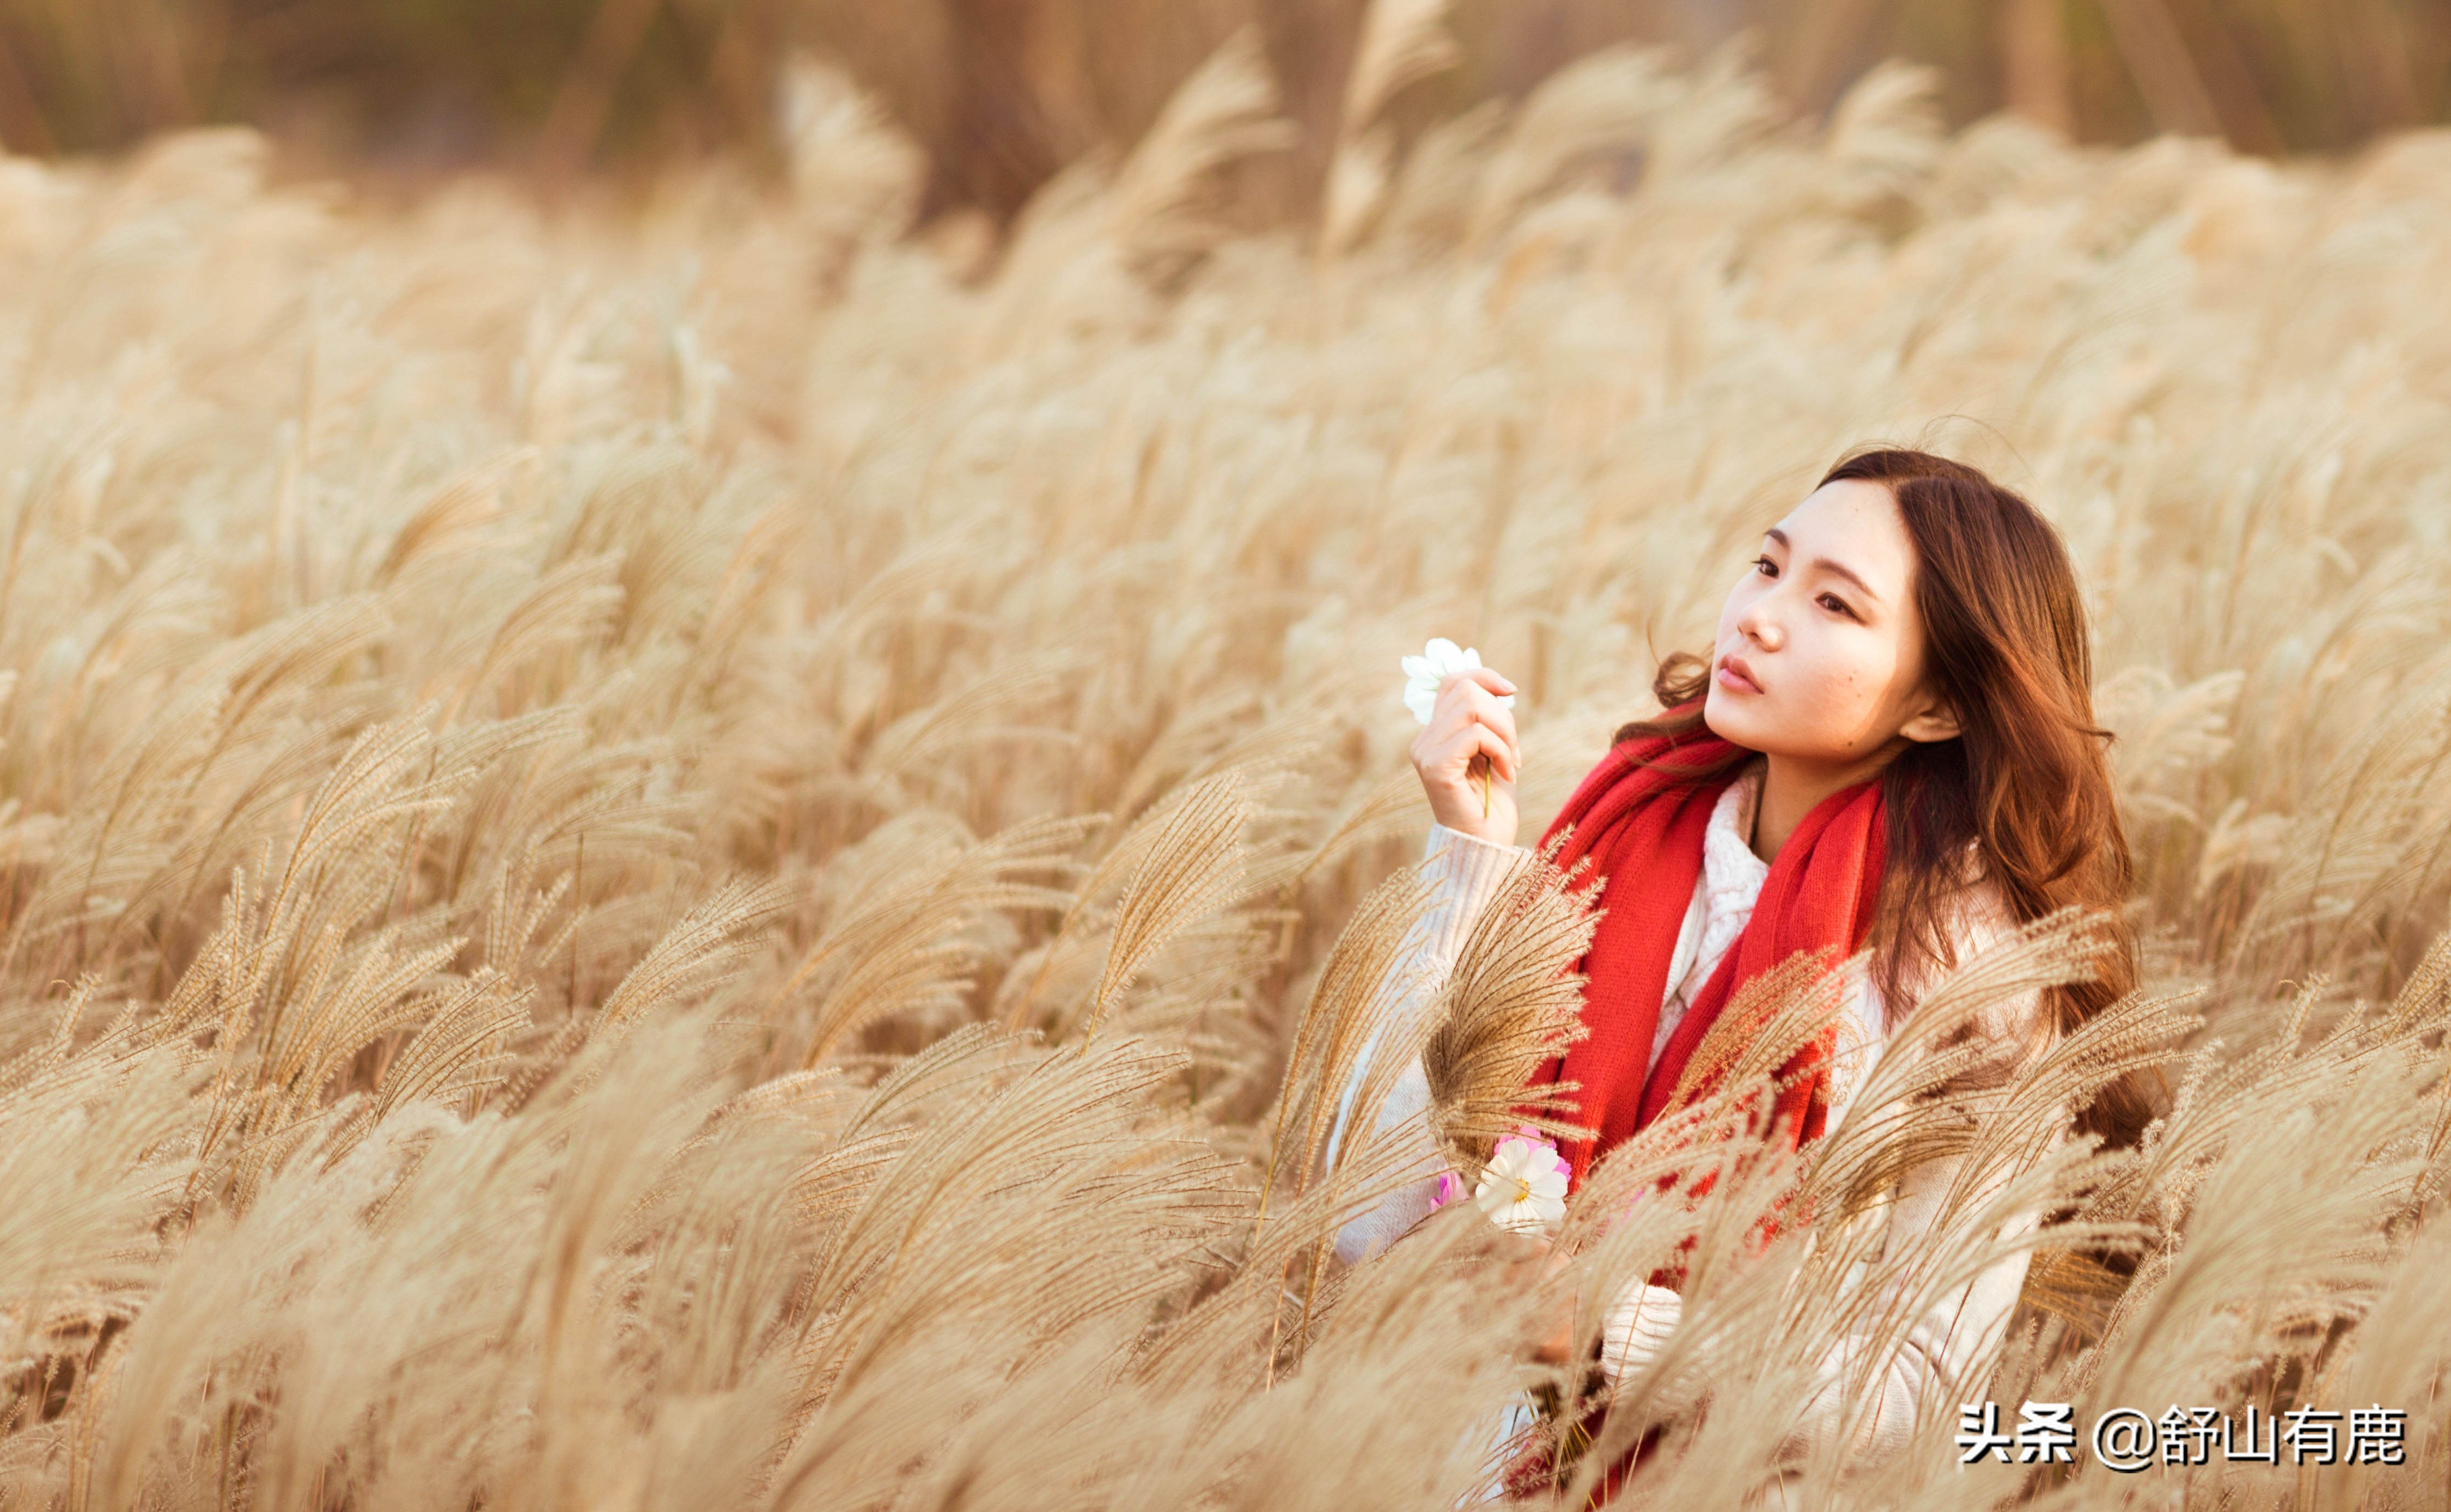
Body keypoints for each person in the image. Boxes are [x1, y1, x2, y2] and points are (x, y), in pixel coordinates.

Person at [1326, 447, 2156, 1491]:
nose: (1759, 618)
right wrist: (1471, 861)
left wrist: (1603, 1326)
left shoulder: (1962, 981)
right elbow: (1363, 1213)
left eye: (1836, 607)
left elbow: (1920, 1391)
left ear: (1938, 706)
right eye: (1767, 568)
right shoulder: (1609, 850)